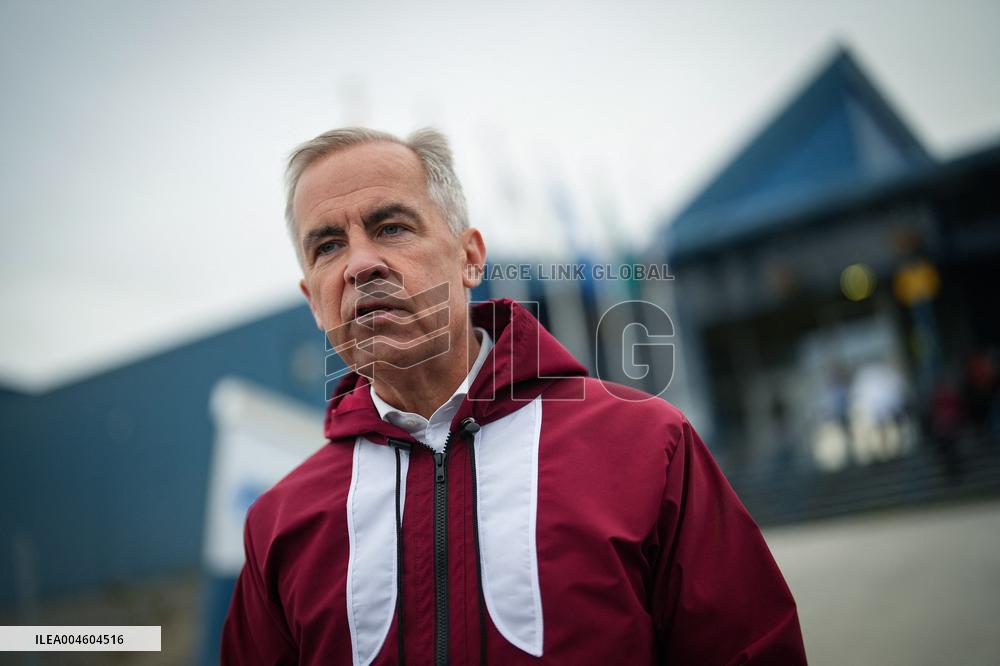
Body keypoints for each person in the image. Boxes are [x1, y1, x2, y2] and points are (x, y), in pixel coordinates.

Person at [221, 127, 806, 665]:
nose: (361, 263)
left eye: (391, 227)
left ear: (470, 257)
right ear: (311, 297)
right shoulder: (279, 524)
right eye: (327, 246)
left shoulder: (648, 446)